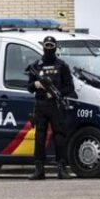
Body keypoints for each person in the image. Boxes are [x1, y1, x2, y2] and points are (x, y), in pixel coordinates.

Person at [27, 35, 76, 180]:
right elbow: (29, 87)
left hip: (56, 105)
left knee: (60, 137)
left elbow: (70, 87)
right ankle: (39, 169)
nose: (49, 48)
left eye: (51, 46)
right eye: (46, 46)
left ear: (55, 47)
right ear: (43, 46)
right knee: (39, 137)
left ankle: (61, 169)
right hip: (41, 105)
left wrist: (56, 93)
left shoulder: (62, 66)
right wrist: (35, 85)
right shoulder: (36, 66)